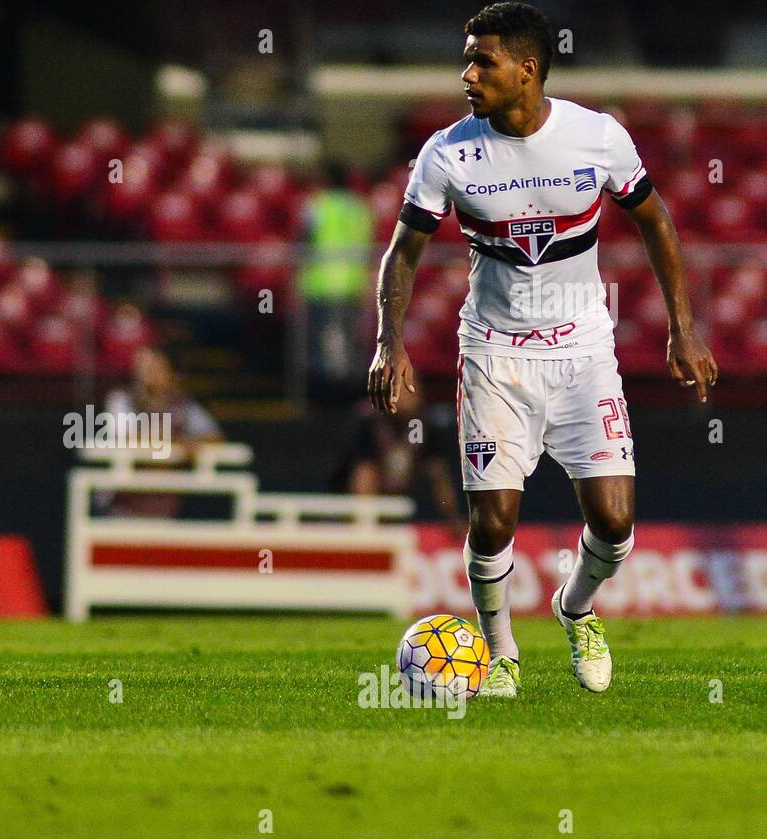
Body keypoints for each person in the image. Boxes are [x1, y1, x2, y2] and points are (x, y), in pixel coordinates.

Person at [367, 2, 717, 697]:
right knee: (492, 521)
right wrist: (390, 341)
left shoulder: (596, 137)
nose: (468, 73)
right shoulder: (448, 151)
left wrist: (684, 326)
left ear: (527, 69)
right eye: (467, 58)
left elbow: (657, 221)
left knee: (615, 525)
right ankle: (501, 653)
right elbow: (403, 252)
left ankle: (576, 607)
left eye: (482, 59)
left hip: (583, 350)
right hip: (494, 354)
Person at [102, 347, 222, 518]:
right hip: (122, 503)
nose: (149, 374)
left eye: (157, 368)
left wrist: (183, 444)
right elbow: (125, 438)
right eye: (145, 369)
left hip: (166, 505)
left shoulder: (182, 404)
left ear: (171, 373)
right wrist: (178, 443)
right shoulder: (122, 399)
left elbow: (214, 437)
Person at [331, 388, 467, 539]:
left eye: (410, 391)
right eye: (400, 391)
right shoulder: (369, 423)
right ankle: (363, 523)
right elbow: (362, 474)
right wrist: (364, 518)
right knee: (367, 473)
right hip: (354, 504)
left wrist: (452, 517)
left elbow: (438, 474)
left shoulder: (418, 426)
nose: (405, 398)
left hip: (403, 504)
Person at [300, 160, 373, 398]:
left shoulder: (317, 206)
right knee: (349, 342)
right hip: (353, 285)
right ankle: (351, 393)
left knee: (325, 345)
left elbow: (303, 240)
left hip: (322, 285)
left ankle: (328, 396)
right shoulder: (361, 208)